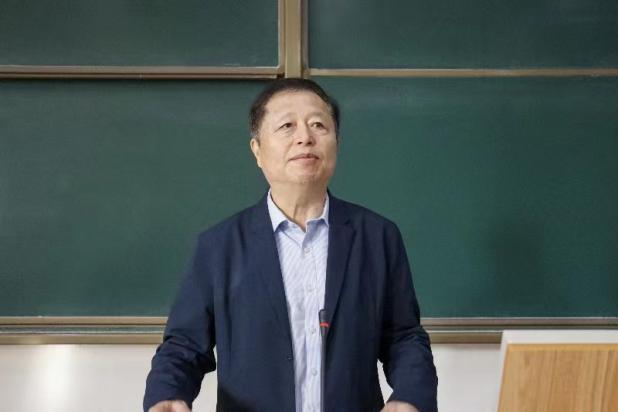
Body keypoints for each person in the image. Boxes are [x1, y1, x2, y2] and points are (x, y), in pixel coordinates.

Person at [144, 78, 438, 412]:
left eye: (318, 125)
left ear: (336, 143)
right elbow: (184, 346)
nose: (305, 137)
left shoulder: (377, 236)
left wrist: (410, 396)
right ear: (257, 150)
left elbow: (403, 337)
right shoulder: (219, 246)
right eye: (287, 126)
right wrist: (168, 393)